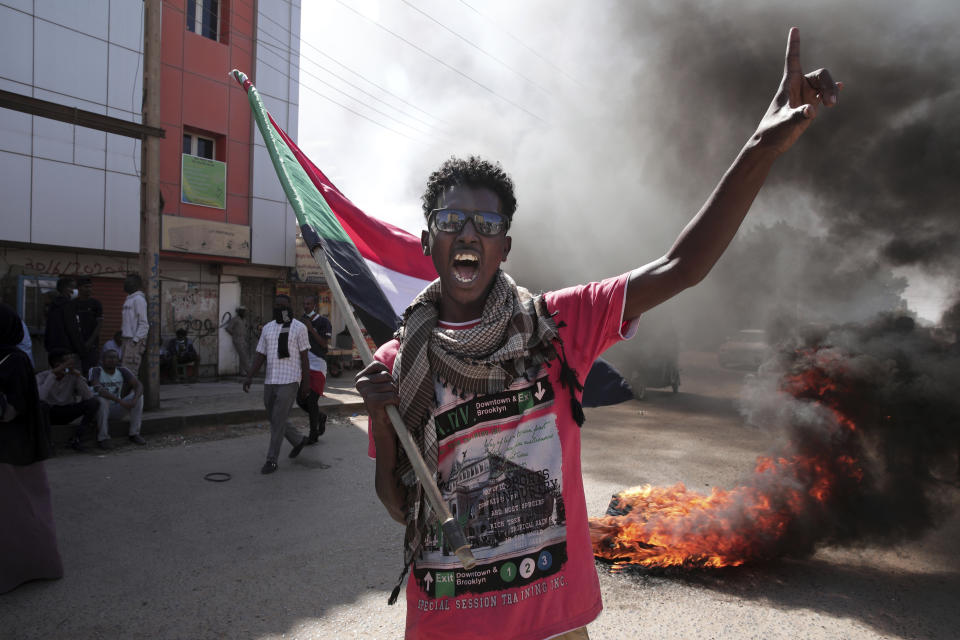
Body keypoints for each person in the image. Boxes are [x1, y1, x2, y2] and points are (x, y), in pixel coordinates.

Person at [355, 29, 840, 640]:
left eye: (488, 222)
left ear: (505, 245)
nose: (470, 233)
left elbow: (679, 269)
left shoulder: (555, 326)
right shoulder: (399, 362)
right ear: (429, 242)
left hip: (555, 624)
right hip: (448, 623)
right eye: (452, 221)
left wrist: (759, 149)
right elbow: (403, 506)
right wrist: (380, 416)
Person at [0, 303, 64, 593]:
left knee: (21, 511)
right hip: (10, 448)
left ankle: (33, 567)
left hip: (14, 451)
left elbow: (13, 409)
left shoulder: (13, 361)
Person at [242, 294, 312, 474]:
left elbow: (305, 357)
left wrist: (306, 382)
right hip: (271, 380)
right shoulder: (267, 328)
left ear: (289, 307)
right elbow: (260, 355)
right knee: (274, 417)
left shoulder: (299, 328)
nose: (280, 308)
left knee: (278, 419)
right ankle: (298, 440)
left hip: (290, 380)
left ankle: (271, 460)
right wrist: (249, 376)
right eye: (277, 305)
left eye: (283, 305)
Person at [36, 349, 101, 451]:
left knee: (94, 402)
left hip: (67, 410)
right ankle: (47, 443)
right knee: (41, 406)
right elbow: (40, 397)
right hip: (50, 412)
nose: (71, 364)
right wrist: (53, 375)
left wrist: (78, 376)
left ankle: (77, 439)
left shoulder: (72, 375)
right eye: (67, 362)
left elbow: (88, 397)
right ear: (57, 364)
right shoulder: (42, 376)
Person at [88, 349, 145, 447]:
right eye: (109, 357)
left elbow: (138, 385)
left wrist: (134, 400)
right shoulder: (95, 370)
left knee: (140, 397)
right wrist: (121, 402)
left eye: (114, 357)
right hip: (98, 411)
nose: (112, 360)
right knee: (102, 400)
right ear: (102, 360)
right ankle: (103, 438)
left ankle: (134, 434)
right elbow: (99, 390)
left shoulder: (122, 370)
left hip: (115, 408)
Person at [297, 294, 331, 443]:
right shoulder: (300, 321)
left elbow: (324, 344)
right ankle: (320, 417)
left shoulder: (323, 322)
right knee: (300, 399)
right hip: (303, 364)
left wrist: (311, 329)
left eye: (309, 304)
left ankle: (313, 434)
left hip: (318, 364)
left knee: (311, 400)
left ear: (314, 306)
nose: (306, 306)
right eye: (304, 304)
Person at [43, 276, 83, 356]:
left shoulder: (53, 305)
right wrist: (80, 349)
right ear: (63, 288)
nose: (73, 291)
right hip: (66, 348)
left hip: (53, 347)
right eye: (71, 287)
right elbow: (72, 328)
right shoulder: (67, 305)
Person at [120, 273, 149, 374]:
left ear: (136, 284)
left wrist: (135, 341)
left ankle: (133, 390)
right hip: (126, 340)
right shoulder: (129, 299)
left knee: (130, 372)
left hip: (133, 341)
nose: (125, 284)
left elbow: (144, 324)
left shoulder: (139, 300)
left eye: (128, 282)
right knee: (124, 370)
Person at [75, 276, 103, 375]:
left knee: (91, 373)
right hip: (76, 346)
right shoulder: (73, 304)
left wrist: (90, 343)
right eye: (86, 287)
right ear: (79, 288)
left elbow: (99, 324)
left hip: (92, 346)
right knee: (76, 374)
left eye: (90, 287)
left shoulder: (96, 304)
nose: (89, 289)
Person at [225, 306, 251, 376]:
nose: (244, 313)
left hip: (243, 339)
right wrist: (234, 334)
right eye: (242, 311)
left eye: (244, 311)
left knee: (243, 355)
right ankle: (249, 371)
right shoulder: (235, 319)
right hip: (238, 339)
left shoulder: (244, 319)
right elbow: (228, 328)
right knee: (243, 355)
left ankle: (243, 372)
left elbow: (245, 327)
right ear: (239, 312)